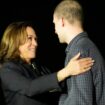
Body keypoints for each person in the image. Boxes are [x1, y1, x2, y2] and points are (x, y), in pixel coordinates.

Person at [0, 21, 94, 105]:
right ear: (15, 41)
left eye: (35, 39)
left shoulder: (39, 67)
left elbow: (56, 87)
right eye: (30, 38)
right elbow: (30, 88)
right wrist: (67, 71)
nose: (35, 44)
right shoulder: (7, 70)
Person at [53, 0, 105, 105]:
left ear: (62, 21)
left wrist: (58, 100)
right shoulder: (87, 46)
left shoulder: (78, 50)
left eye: (54, 24)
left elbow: (81, 102)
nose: (55, 30)